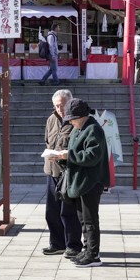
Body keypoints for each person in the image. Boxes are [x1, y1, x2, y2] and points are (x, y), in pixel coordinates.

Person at [62, 97, 110, 267]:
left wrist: (69, 155)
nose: (71, 123)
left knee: (90, 220)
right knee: (82, 220)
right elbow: (73, 153)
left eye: (72, 119)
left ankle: (93, 254)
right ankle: (86, 249)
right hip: (79, 181)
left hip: (91, 181)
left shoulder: (93, 129)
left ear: (82, 116)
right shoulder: (78, 129)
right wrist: (61, 158)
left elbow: (92, 156)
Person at [41, 89, 82, 258]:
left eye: (63, 105)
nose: (60, 108)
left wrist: (64, 155)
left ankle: (73, 245)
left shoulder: (76, 121)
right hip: (52, 171)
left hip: (69, 173)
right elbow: (47, 140)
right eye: (57, 105)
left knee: (69, 212)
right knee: (52, 212)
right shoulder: (51, 119)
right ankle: (56, 244)